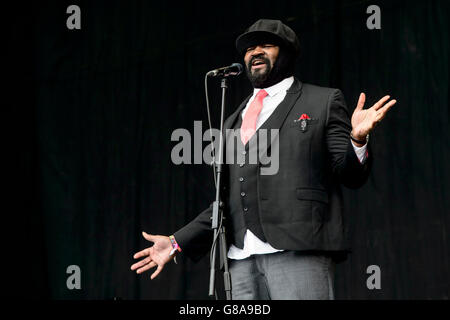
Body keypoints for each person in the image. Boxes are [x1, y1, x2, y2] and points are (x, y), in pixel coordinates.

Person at [130, 19, 396, 299]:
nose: (255, 52)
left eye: (266, 45)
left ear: (287, 53)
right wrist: (175, 243)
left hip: (297, 249)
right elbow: (226, 201)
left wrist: (357, 139)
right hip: (239, 259)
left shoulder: (322, 101)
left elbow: (351, 175)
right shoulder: (231, 120)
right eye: (248, 49)